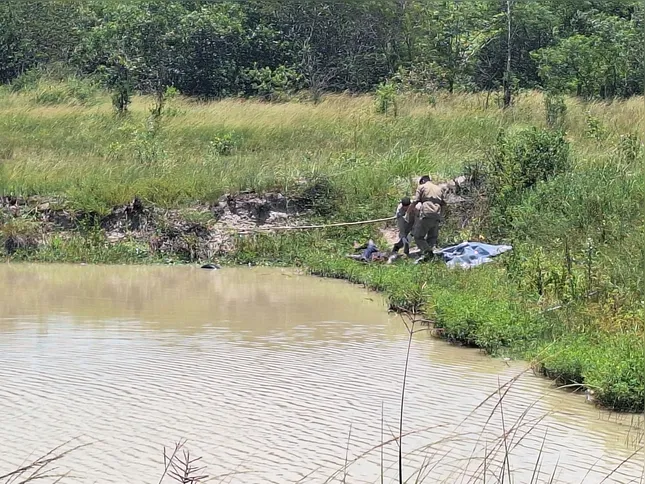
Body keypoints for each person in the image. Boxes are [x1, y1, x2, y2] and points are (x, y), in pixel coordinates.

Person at [409, 175, 446, 258]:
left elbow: (415, 201)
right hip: (437, 214)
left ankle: (428, 252)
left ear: (422, 181)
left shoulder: (422, 187)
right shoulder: (439, 188)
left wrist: (408, 212)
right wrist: (441, 216)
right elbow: (443, 204)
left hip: (426, 214)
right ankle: (430, 256)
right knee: (432, 236)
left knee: (418, 236)